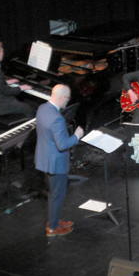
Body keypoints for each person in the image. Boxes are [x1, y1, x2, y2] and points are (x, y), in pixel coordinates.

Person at [34, 84, 85, 237]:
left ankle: (54, 220)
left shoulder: (42, 108)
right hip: (55, 163)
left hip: (45, 158)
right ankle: (53, 227)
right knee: (57, 195)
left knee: (53, 193)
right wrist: (76, 136)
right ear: (62, 98)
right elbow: (62, 145)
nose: (67, 101)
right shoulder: (57, 119)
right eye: (67, 99)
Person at [0, 41, 36, 117]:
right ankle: (26, 124)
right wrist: (22, 87)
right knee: (28, 108)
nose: (3, 53)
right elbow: (7, 91)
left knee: (19, 102)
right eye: (2, 51)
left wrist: (6, 82)